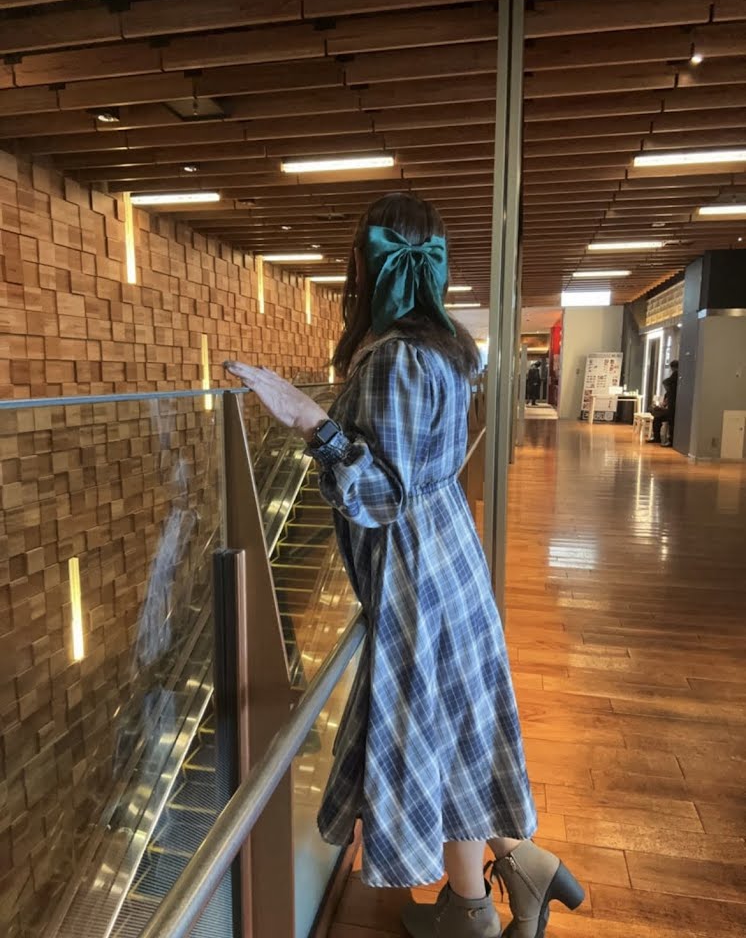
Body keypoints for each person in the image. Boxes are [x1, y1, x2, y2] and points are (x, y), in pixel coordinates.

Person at [225, 193, 584, 938]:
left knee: (436, 730)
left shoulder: (391, 355)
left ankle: (474, 910)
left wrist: (309, 420)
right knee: (457, 726)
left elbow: (381, 494)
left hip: (414, 571)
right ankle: (511, 875)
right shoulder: (448, 347)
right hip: (450, 555)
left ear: (363, 266)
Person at [648, 359, 679, 446]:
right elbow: (665, 402)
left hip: (673, 410)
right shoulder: (670, 392)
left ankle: (670, 441)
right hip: (669, 409)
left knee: (671, 421)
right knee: (657, 418)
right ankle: (657, 438)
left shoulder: (674, 381)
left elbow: (666, 382)